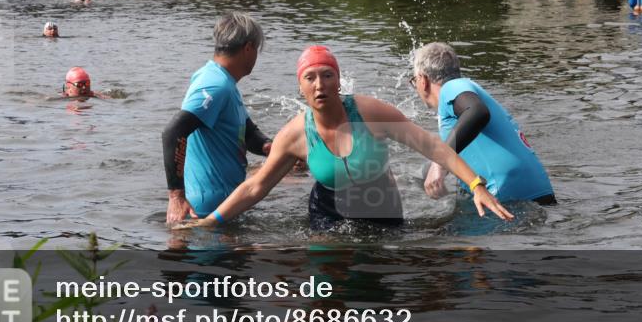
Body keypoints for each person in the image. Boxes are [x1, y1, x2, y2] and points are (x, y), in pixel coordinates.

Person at [188, 45, 512, 232]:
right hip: (327, 213)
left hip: (382, 208)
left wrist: (476, 185)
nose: (320, 85)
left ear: (338, 81)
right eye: (310, 78)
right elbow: (256, 186)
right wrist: (211, 221)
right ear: (300, 87)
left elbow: (433, 147)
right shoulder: (295, 134)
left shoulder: (370, 113)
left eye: (327, 76)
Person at [411, 42, 555, 206]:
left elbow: (477, 112)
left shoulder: (452, 87)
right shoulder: (467, 91)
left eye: (413, 80)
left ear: (422, 80)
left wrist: (440, 161)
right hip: (539, 193)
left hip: (507, 197)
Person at [162, 12, 273, 224]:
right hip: (206, 211)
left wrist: (270, 147)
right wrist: (176, 196)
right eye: (257, 50)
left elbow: (246, 132)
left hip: (227, 205)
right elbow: (173, 132)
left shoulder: (224, 82)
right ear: (248, 48)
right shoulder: (215, 85)